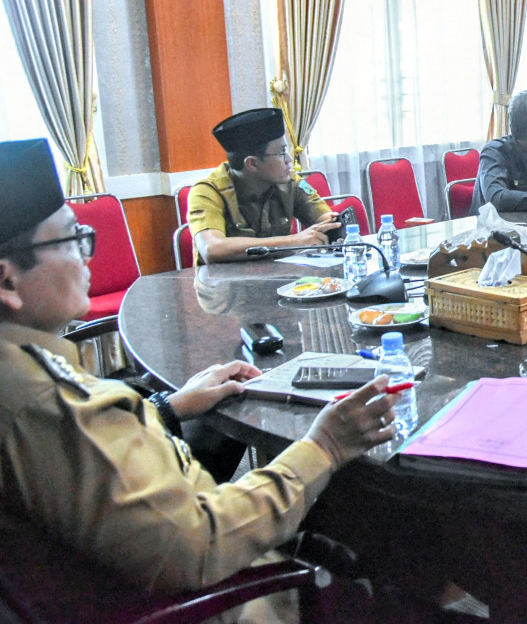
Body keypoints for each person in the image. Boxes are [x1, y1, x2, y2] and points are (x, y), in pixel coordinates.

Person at [0, 138, 398, 604]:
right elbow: (201, 545)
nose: (87, 255)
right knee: (390, 525)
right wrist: (325, 445)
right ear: (8, 280)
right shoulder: (46, 404)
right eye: (73, 238)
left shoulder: (24, 376)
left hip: (129, 563)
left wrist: (168, 406)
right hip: (230, 598)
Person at [188, 108, 339, 264]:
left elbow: (326, 221)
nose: (289, 160)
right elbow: (212, 248)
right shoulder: (207, 191)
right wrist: (293, 241)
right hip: (225, 284)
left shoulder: (290, 182)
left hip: (280, 280)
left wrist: (336, 228)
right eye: (281, 153)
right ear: (252, 164)